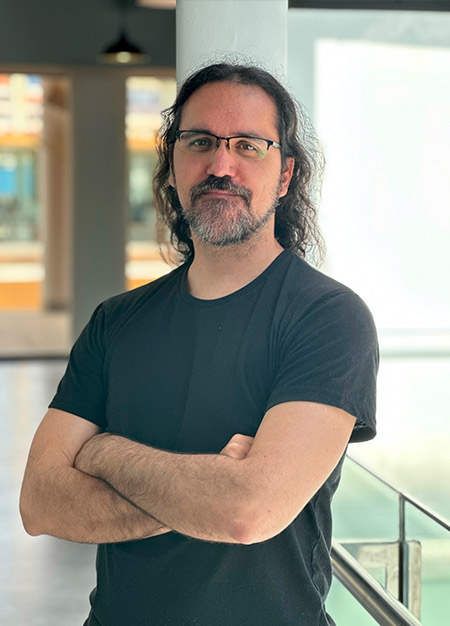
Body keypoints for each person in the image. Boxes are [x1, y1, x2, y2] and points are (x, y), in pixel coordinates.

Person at [20, 63, 378, 626]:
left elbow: (247, 512)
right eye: (200, 141)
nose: (221, 165)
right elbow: (40, 503)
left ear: (285, 175)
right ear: (172, 164)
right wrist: (206, 489)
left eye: (248, 145)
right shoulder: (116, 322)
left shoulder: (328, 318)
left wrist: (103, 453)